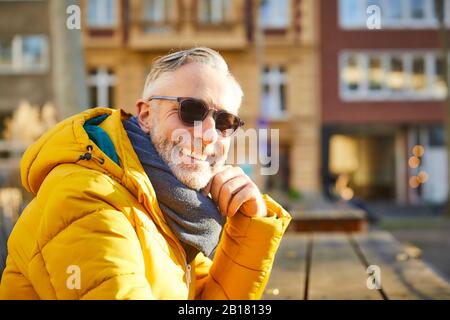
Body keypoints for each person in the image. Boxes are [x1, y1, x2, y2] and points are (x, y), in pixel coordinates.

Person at [0, 47, 291, 299]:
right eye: (191, 111)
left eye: (224, 121)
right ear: (146, 116)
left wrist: (250, 226)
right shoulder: (88, 198)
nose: (208, 136)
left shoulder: (168, 204)